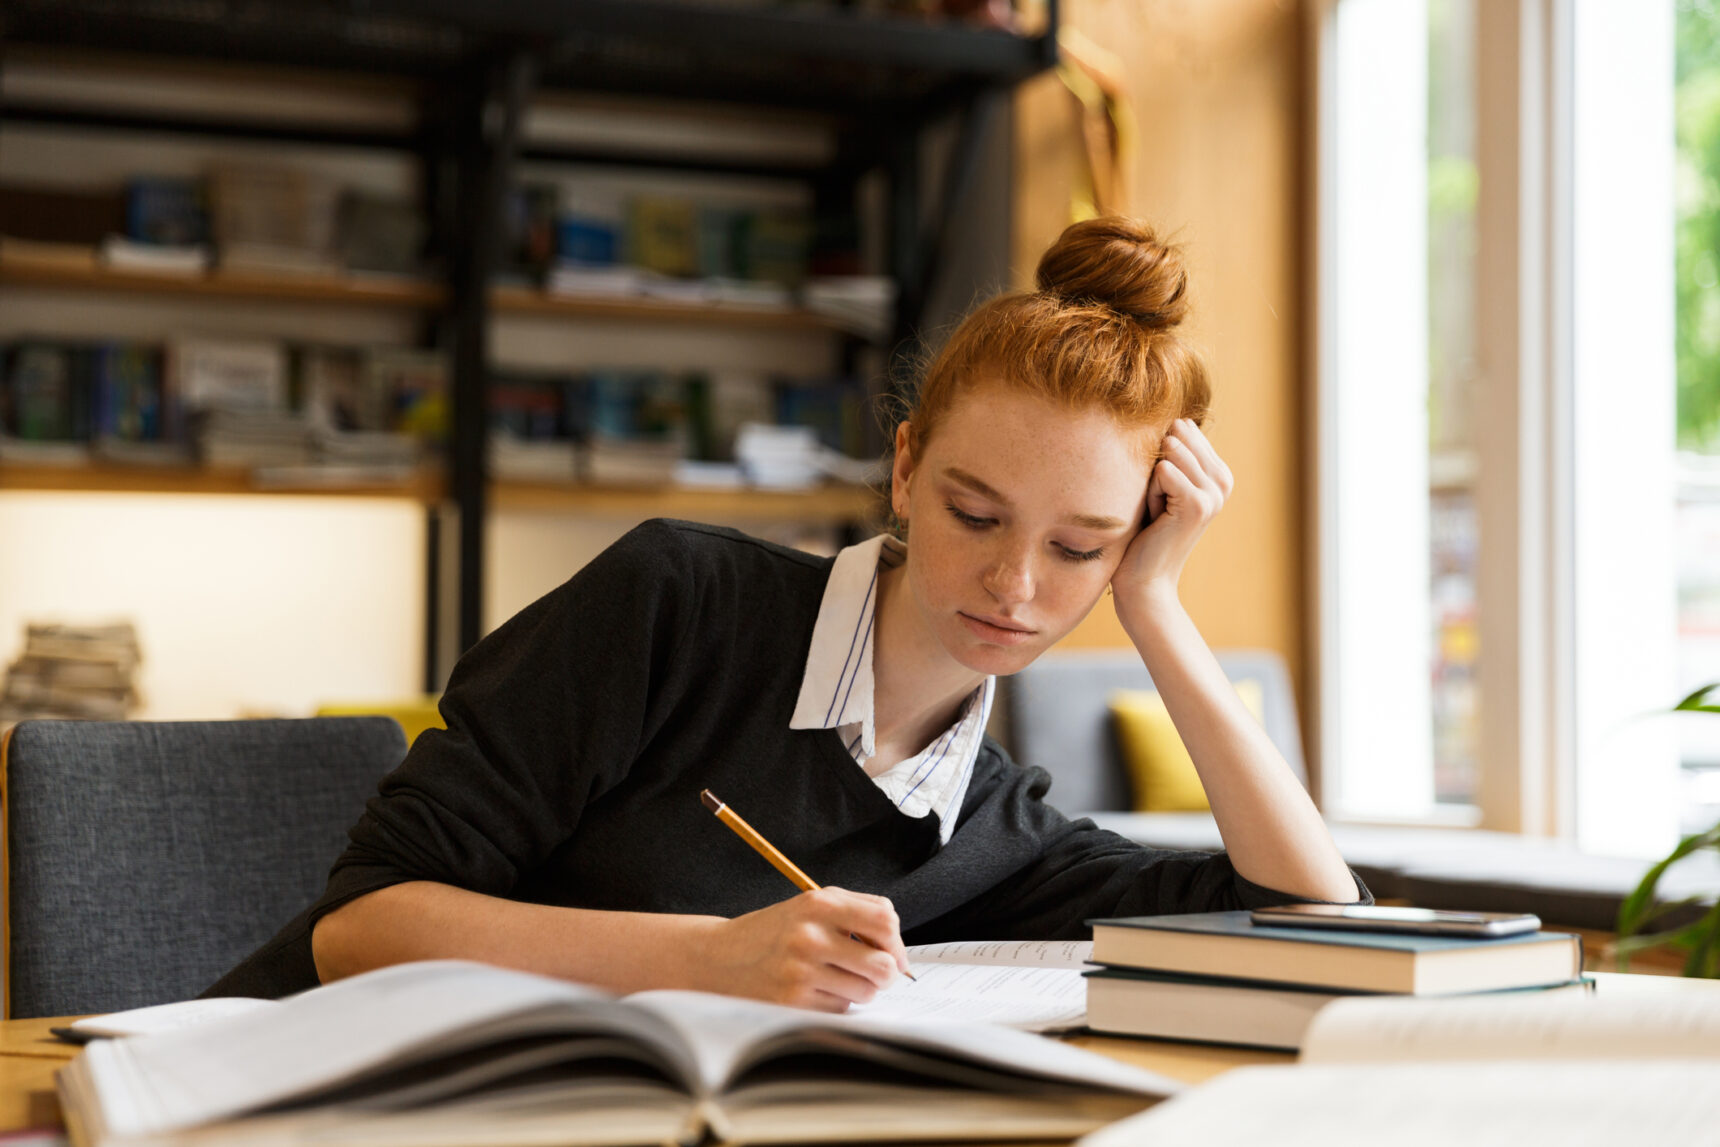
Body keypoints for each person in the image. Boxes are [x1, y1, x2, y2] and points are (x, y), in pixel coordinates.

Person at [210, 216, 1367, 1012]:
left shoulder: (993, 830)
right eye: (973, 514)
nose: (1015, 585)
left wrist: (1154, 603)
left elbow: (1313, 919)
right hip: (283, 1092)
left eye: (1078, 547)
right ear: (905, 468)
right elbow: (360, 926)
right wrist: (712, 955)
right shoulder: (679, 603)